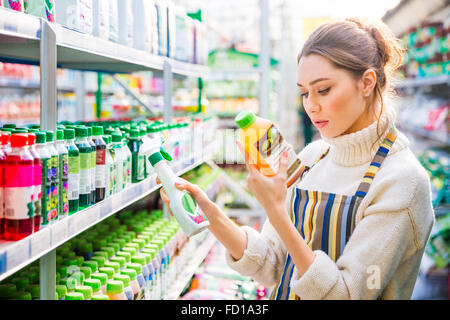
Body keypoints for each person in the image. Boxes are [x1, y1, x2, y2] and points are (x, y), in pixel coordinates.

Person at [159, 18, 435, 300]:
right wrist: (211, 214)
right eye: (304, 93)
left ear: (366, 82)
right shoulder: (313, 158)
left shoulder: (401, 181)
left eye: (323, 90)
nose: (311, 107)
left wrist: (277, 211)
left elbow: (347, 294)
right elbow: (272, 264)